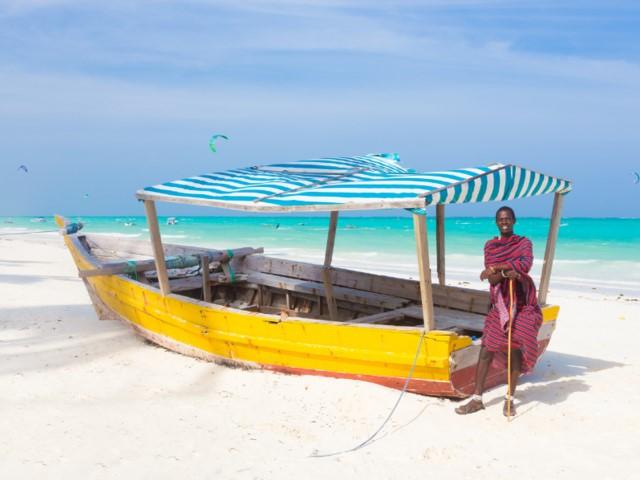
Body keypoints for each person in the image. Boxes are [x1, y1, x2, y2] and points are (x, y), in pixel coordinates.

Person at [455, 206, 543, 417]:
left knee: (515, 349)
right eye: (501, 219)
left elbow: (525, 265)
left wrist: (496, 269)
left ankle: (510, 400)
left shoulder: (524, 243)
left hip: (522, 304)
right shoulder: (491, 246)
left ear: (514, 220)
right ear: (496, 222)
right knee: (486, 350)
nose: (505, 222)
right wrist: (504, 271)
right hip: (501, 304)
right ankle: (477, 399)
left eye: (508, 218)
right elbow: (493, 279)